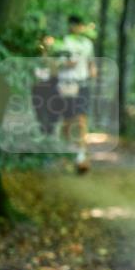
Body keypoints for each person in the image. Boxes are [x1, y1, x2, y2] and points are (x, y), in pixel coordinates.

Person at [53, 16, 97, 173]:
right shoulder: (63, 43)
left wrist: (92, 70)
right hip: (66, 84)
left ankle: (81, 157)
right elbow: (53, 63)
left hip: (82, 84)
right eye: (74, 25)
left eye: (79, 25)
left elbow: (91, 63)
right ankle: (65, 155)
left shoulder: (87, 44)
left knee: (81, 119)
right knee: (67, 122)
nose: (77, 28)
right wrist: (65, 63)